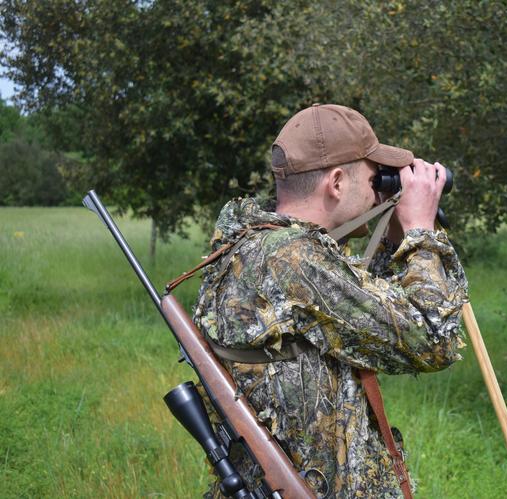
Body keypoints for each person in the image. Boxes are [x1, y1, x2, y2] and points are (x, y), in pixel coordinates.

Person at [193, 104, 469, 498]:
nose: (381, 189)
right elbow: (431, 340)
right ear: (336, 182)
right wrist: (421, 232)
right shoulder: (293, 259)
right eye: (376, 178)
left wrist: (394, 237)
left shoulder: (258, 246)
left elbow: (364, 316)